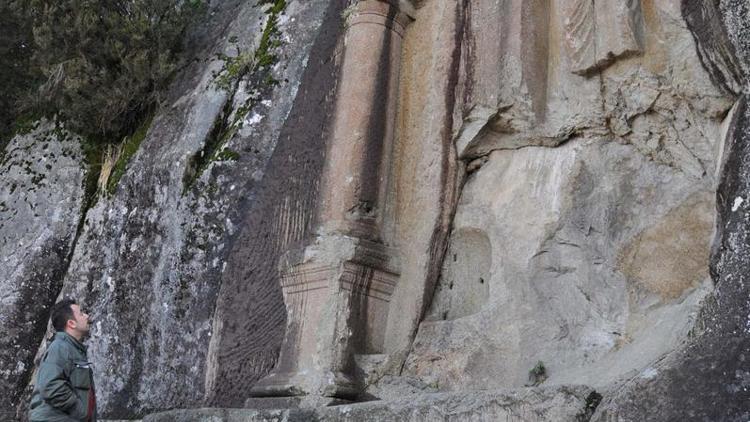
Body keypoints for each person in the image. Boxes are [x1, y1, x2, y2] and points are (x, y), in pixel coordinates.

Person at [29, 298, 96, 422]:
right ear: (71, 323)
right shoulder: (60, 347)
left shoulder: (73, 350)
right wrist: (79, 410)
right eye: (81, 313)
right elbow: (50, 386)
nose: (87, 316)